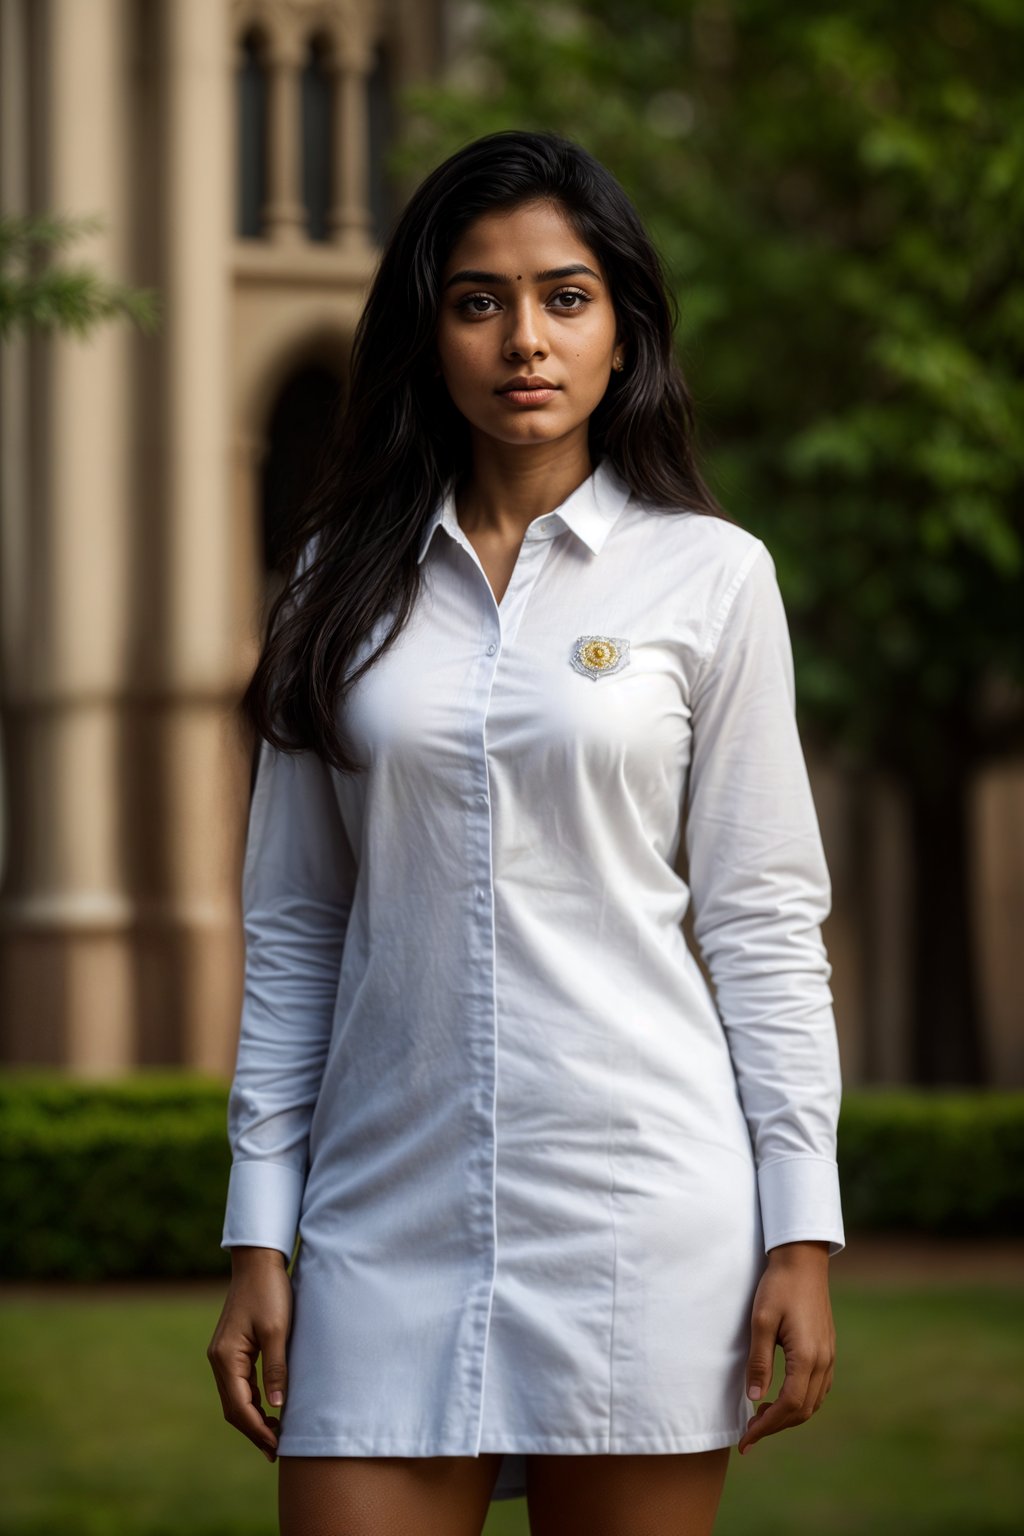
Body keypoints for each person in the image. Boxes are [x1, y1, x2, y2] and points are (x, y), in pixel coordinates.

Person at [207, 129, 845, 1536]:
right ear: (429, 332)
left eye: (566, 296)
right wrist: (260, 1222)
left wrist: (800, 1227)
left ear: (625, 329)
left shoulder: (714, 578)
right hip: (384, 1212)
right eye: (478, 300)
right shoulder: (336, 582)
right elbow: (298, 923)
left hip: (639, 1216)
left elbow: (761, 922)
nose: (524, 340)